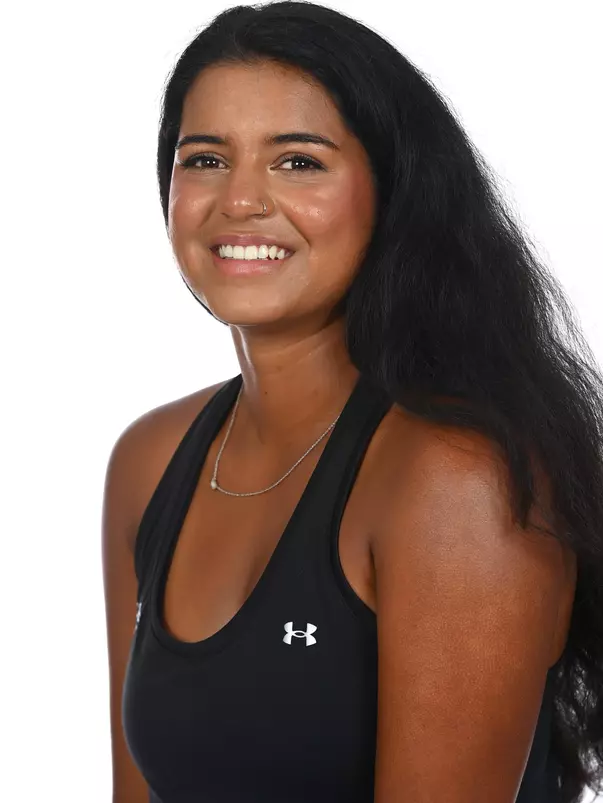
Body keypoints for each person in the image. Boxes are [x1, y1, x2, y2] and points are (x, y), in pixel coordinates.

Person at [101, 2, 603, 802]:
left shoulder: (454, 479)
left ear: (391, 191)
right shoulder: (151, 458)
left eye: (297, 161)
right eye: (204, 159)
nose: (238, 201)